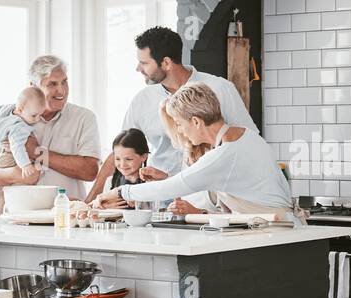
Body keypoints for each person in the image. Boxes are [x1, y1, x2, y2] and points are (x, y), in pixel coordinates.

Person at [95, 83, 291, 217]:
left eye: (179, 124)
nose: (179, 130)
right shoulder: (246, 136)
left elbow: (172, 188)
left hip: (274, 233)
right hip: (279, 229)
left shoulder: (224, 154)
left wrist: (121, 192)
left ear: (196, 121)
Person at [97, 27, 256, 189]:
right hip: (160, 196)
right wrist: (91, 200)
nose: (138, 69)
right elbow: (121, 151)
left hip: (211, 194)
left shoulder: (220, 89)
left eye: (144, 63)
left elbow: (248, 141)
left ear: (166, 63)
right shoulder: (142, 101)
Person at [0, 55, 101, 202]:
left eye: (64, 82)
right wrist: (18, 174)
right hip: (18, 218)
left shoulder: (84, 118)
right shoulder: (10, 117)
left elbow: (90, 171)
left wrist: (36, 153)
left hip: (65, 215)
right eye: (52, 84)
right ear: (33, 87)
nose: (61, 91)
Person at [0, 85, 48, 215]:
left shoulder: (6, 112)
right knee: (19, 184)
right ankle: (15, 211)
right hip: (9, 156)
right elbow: (17, 147)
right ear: (20, 109)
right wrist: (25, 165)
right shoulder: (19, 127)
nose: (37, 119)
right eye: (34, 115)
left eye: (40, 115)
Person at [86, 128, 150, 201]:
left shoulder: (150, 183)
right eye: (118, 159)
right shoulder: (110, 182)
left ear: (144, 156)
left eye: (128, 159)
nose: (122, 165)